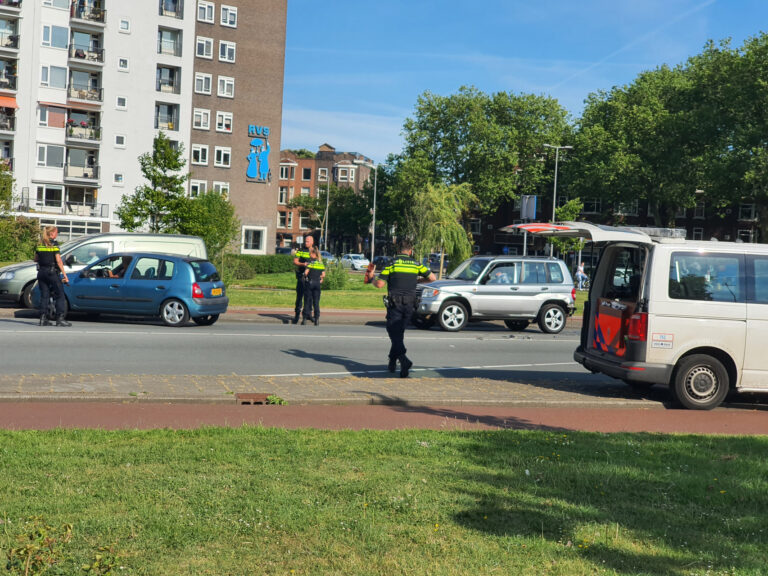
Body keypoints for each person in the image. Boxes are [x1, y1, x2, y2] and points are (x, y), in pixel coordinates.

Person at [365, 239, 435, 377]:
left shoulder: (392, 263)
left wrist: (372, 278)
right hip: (410, 305)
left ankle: (403, 360)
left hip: (395, 304)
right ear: (410, 251)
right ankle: (392, 362)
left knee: (393, 331)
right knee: (399, 333)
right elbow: (432, 278)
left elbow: (379, 284)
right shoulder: (416, 264)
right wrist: (418, 281)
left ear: (398, 250)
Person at [34, 226, 71, 327]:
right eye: (56, 233)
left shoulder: (40, 244)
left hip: (41, 272)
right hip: (52, 272)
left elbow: (35, 259)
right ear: (52, 234)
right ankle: (60, 319)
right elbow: (58, 260)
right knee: (60, 295)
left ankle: (43, 319)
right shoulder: (54, 244)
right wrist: (64, 275)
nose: (57, 235)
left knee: (44, 295)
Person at [291, 235, 314, 324]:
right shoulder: (301, 250)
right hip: (302, 276)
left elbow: (318, 261)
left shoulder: (315, 251)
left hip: (312, 277)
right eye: (305, 241)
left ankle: (308, 314)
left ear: (312, 242)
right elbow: (295, 261)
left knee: (310, 297)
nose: (306, 243)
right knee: (300, 296)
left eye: (308, 241)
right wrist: (303, 264)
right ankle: (297, 315)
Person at [301, 247, 325, 325]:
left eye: (310, 253)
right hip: (317, 284)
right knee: (316, 302)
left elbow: (306, 273)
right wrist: (319, 278)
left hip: (310, 283)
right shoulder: (321, 263)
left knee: (307, 301)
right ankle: (317, 319)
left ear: (314, 254)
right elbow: (323, 275)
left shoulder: (311, 263)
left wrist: (304, 276)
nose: (309, 255)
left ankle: (304, 319)